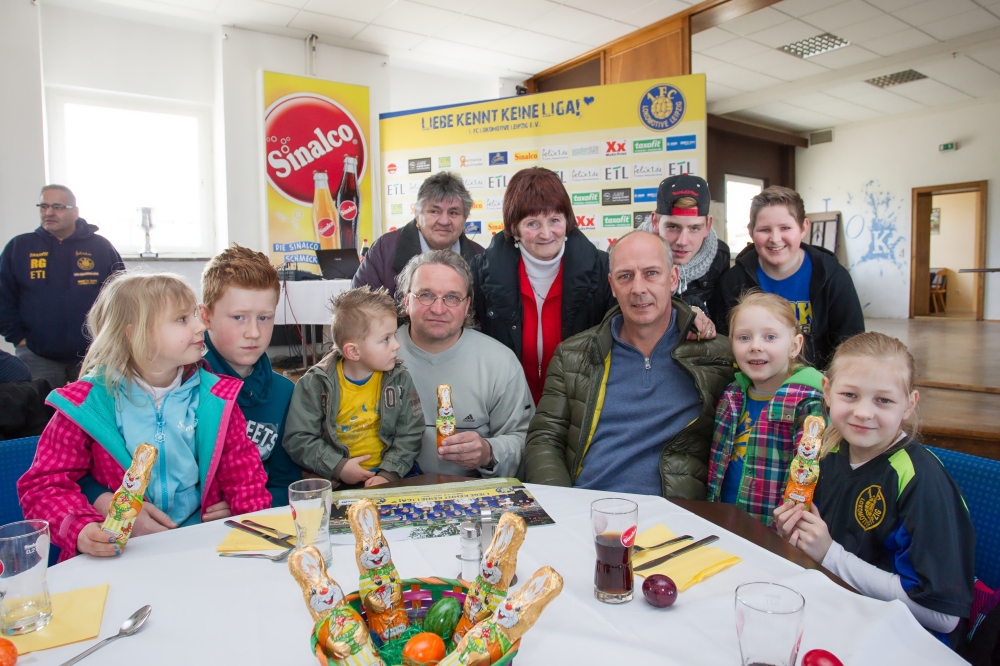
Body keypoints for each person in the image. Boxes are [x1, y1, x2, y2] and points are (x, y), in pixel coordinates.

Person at [17, 273, 271, 560]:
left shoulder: (216, 398)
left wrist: (255, 535)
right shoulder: (86, 403)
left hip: (197, 547)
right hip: (119, 553)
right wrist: (82, 529)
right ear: (134, 334)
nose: (201, 325)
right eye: (182, 319)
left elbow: (245, 479)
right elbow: (44, 486)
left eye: (195, 315)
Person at [774, 332, 975, 641]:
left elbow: (943, 617)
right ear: (827, 391)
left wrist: (830, 555)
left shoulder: (920, 480)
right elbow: (816, 556)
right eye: (849, 395)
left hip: (904, 642)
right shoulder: (822, 454)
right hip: (833, 616)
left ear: (909, 404)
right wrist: (793, 537)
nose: (864, 412)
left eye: (883, 400)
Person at [524, 231, 734, 498]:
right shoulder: (573, 355)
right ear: (612, 285)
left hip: (675, 514)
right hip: (587, 508)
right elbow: (544, 440)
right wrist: (562, 505)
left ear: (673, 278)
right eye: (625, 276)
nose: (638, 289)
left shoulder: (719, 356)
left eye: (651, 273)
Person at [471, 167, 616, 404]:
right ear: (514, 229)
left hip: (577, 407)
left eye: (554, 220)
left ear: (567, 221)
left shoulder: (603, 269)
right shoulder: (480, 272)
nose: (546, 233)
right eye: (533, 223)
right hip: (506, 408)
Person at [395, 250, 534, 479]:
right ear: (406, 300)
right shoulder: (374, 356)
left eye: (452, 297)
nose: (438, 309)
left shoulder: (499, 362)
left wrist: (489, 452)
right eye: (426, 295)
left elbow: (527, 440)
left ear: (467, 304)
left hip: (475, 492)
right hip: (389, 491)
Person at [283, 286, 423, 488]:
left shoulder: (399, 379)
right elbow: (298, 438)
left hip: (394, 474)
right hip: (336, 479)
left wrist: (388, 474)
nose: (396, 345)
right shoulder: (315, 384)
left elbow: (411, 432)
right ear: (353, 352)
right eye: (386, 339)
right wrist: (338, 467)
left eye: (394, 335)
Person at [705, 292, 825, 526]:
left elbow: (806, 476)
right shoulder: (731, 395)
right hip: (722, 524)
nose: (755, 346)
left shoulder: (808, 404)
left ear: (795, 346)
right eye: (744, 337)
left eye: (770, 337)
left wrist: (788, 530)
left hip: (774, 532)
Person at [712, 186, 863, 369]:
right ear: (751, 231)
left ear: (803, 227)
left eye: (785, 228)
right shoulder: (733, 282)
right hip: (754, 379)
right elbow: (725, 344)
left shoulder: (833, 277)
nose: (775, 239)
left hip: (820, 378)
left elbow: (852, 343)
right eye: (765, 230)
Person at [199, 245, 300, 506]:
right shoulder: (185, 386)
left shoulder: (284, 392)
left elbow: (286, 485)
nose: (253, 332)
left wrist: (246, 503)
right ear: (206, 317)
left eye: (264, 318)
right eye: (239, 317)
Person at [0, 184, 123, 387]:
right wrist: (19, 338)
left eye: (57, 207)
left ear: (75, 212)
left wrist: (111, 337)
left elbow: (121, 296)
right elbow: (4, 297)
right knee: (38, 406)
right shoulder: (19, 247)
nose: (48, 212)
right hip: (36, 355)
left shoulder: (100, 247)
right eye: (44, 206)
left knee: (93, 406)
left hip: (94, 353)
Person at [352, 172, 484, 298]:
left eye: (453, 213)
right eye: (434, 211)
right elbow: (358, 307)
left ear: (465, 218)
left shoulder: (481, 259)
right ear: (417, 214)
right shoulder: (384, 250)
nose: (444, 221)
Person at [652, 174, 730, 319]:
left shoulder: (719, 257)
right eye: (672, 227)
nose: (682, 241)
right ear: (655, 222)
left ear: (708, 226)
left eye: (694, 228)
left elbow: (721, 321)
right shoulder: (630, 254)